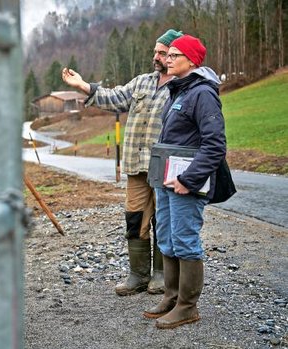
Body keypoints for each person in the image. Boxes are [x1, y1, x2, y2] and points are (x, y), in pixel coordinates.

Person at [61, 29, 183, 296]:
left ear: (176, 55)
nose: (157, 57)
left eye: (162, 53)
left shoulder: (184, 85)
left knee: (165, 221)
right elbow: (114, 97)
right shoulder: (141, 82)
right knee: (135, 218)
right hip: (136, 166)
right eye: (155, 51)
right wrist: (83, 86)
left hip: (165, 169)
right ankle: (138, 275)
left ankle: (162, 275)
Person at [142, 34, 226, 329]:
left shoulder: (202, 93)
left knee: (185, 239)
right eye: (168, 55)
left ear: (191, 60)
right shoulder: (179, 90)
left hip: (185, 182)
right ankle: (172, 296)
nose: (167, 59)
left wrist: (189, 179)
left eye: (174, 55)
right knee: (166, 236)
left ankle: (188, 307)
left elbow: (215, 144)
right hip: (166, 180)